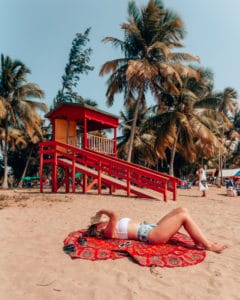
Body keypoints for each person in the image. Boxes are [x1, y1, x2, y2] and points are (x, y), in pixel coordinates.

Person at [86, 208, 228, 253]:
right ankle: (208, 245)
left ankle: (199, 243)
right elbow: (114, 214)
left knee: (182, 210)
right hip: (152, 235)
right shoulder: (108, 232)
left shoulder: (111, 227)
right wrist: (100, 212)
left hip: (152, 227)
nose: (103, 221)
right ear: (98, 227)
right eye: (100, 222)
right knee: (183, 216)